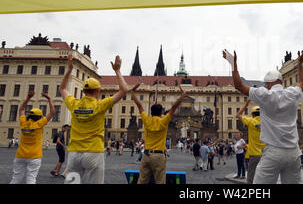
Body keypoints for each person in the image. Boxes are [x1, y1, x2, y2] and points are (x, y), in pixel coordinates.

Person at [223, 49, 303, 184]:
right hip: (293, 152)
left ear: (268, 83)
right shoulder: (293, 93)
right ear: (280, 81)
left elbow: (239, 85)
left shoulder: (265, 95)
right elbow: (302, 83)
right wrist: (300, 64)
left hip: (273, 153)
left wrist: (233, 64)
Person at [60, 54, 128, 184]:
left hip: (74, 153)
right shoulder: (100, 105)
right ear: (97, 91)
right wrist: (117, 70)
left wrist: (69, 69)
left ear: (84, 91)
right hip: (93, 152)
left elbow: (62, 88)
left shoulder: (74, 104)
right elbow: (124, 90)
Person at [131, 83, 186, 184]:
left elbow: (139, 105)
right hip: (158, 156)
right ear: (161, 113)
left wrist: (133, 92)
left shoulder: (147, 120)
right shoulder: (163, 121)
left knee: (142, 181)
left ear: (151, 113)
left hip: (146, 155)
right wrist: (182, 95)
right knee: (160, 181)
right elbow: (173, 108)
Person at [10, 91, 55, 184]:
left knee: (16, 178)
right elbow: (52, 112)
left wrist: (28, 98)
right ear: (39, 117)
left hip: (20, 155)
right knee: (31, 178)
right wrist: (49, 99)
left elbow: (21, 109)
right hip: (34, 156)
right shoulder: (39, 124)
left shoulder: (23, 123)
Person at [237, 100, 266, 184]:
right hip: (266, 154)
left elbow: (238, 115)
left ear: (253, 115)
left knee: (251, 176)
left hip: (255, 155)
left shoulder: (250, 121)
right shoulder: (266, 122)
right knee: (263, 176)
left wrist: (246, 104)